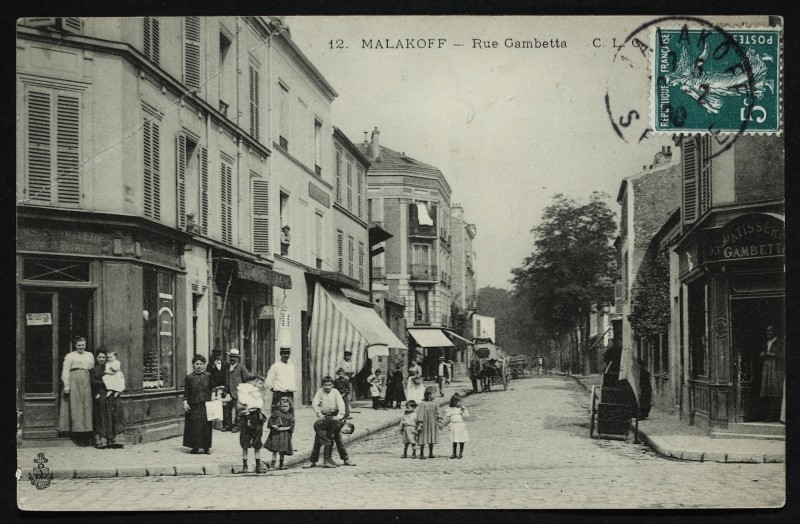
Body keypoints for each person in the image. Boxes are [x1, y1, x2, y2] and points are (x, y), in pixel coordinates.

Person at [305, 376, 356, 468]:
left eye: (329, 385)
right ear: (322, 385)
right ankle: (312, 461)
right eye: (325, 385)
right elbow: (315, 402)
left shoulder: (335, 392)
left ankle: (346, 459)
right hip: (324, 418)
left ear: (332, 385)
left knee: (339, 440)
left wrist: (340, 416)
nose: (327, 387)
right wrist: (319, 414)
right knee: (318, 441)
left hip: (334, 418)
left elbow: (341, 404)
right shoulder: (320, 392)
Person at [59, 336, 95, 440]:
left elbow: (92, 368)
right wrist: (66, 385)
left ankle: (87, 431)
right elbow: (65, 371)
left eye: (83, 345)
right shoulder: (70, 356)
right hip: (74, 382)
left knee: (87, 405)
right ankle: (77, 432)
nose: (81, 347)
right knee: (76, 406)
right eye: (79, 345)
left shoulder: (90, 355)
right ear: (75, 345)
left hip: (87, 382)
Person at [236, 374, 268, 473]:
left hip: (256, 417)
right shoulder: (244, 391)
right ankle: (245, 466)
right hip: (246, 418)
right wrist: (245, 410)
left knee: (257, 441)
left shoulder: (259, 393)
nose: (259, 385)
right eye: (257, 382)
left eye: (261, 383)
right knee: (245, 442)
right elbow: (240, 404)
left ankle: (258, 466)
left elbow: (261, 404)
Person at [183, 355, 212, 454]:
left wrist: (215, 397)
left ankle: (206, 447)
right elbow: (186, 391)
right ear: (193, 365)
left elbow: (214, 388)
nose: (199, 366)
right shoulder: (189, 377)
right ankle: (194, 447)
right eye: (197, 364)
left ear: (204, 365)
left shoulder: (208, 376)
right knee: (194, 426)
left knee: (206, 426)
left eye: (201, 364)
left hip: (206, 404)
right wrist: (185, 402)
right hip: (194, 404)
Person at [760, 325, 785, 422]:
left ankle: (775, 416)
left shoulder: (780, 342)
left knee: (776, 391)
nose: (767, 333)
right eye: (766, 331)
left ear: (774, 331)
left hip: (776, 369)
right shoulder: (765, 342)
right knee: (767, 391)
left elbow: (784, 355)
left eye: (769, 331)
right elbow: (761, 353)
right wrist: (762, 353)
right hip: (766, 369)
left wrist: (773, 354)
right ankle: (769, 415)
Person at [101, 351, 126, 448]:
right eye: (108, 357)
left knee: (117, 383)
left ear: (115, 357)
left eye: (110, 357)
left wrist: (111, 368)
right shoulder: (107, 363)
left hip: (116, 375)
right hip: (110, 376)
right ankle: (111, 390)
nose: (109, 359)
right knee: (106, 379)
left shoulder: (116, 363)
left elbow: (115, 369)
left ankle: (116, 391)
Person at [265, 395, 294, 470]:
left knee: (282, 450)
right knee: (274, 449)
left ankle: (281, 464)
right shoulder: (276, 413)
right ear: (280, 406)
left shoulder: (290, 416)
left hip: (285, 435)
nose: (284, 408)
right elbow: (270, 421)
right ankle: (272, 465)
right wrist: (273, 426)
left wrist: (284, 428)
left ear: (289, 407)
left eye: (286, 406)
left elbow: (291, 425)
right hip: (276, 434)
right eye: (283, 406)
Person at [90, 349, 111, 449]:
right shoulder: (93, 369)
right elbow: (93, 382)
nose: (102, 359)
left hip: (109, 394)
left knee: (109, 417)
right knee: (100, 417)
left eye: (103, 357)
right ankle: (101, 441)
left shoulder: (109, 368)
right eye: (100, 357)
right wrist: (105, 382)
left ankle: (110, 440)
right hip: (99, 393)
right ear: (96, 358)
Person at [225, 348, 250, 432]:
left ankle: (237, 426)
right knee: (227, 410)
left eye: (235, 357)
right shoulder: (227, 366)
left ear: (238, 358)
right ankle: (228, 425)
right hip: (228, 392)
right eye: (231, 356)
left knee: (238, 410)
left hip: (237, 392)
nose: (232, 358)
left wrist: (244, 389)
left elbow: (247, 378)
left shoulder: (241, 367)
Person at [266, 347, 297, 413]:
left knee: (289, 415)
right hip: (278, 394)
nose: (286, 355)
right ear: (280, 354)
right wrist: (275, 390)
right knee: (277, 415)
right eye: (284, 353)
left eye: (288, 353)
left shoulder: (292, 366)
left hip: (289, 394)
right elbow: (268, 382)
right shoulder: (275, 366)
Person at [416, 387, 442, 459]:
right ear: (428, 395)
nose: (435, 395)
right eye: (433, 394)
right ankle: (421, 453)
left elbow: (438, 413)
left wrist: (439, 420)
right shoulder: (423, 404)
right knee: (423, 437)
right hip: (424, 424)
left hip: (432, 423)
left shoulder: (435, 404)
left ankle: (431, 452)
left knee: (431, 437)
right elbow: (420, 414)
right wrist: (420, 423)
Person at [442, 394, 470, 459]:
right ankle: (454, 453)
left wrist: (463, 411)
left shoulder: (462, 409)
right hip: (453, 425)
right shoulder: (450, 409)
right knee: (454, 439)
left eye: (460, 402)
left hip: (460, 425)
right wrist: (443, 424)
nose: (460, 403)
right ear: (454, 402)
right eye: (458, 402)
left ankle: (460, 453)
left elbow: (467, 416)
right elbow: (447, 418)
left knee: (461, 439)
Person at [336, 351, 357, 415]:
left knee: (349, 393)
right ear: (344, 356)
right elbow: (338, 370)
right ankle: (343, 410)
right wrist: (344, 372)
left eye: (349, 356)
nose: (348, 357)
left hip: (349, 379)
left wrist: (352, 373)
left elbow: (353, 370)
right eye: (347, 356)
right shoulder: (341, 363)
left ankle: (347, 407)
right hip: (343, 380)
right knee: (343, 393)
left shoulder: (351, 363)